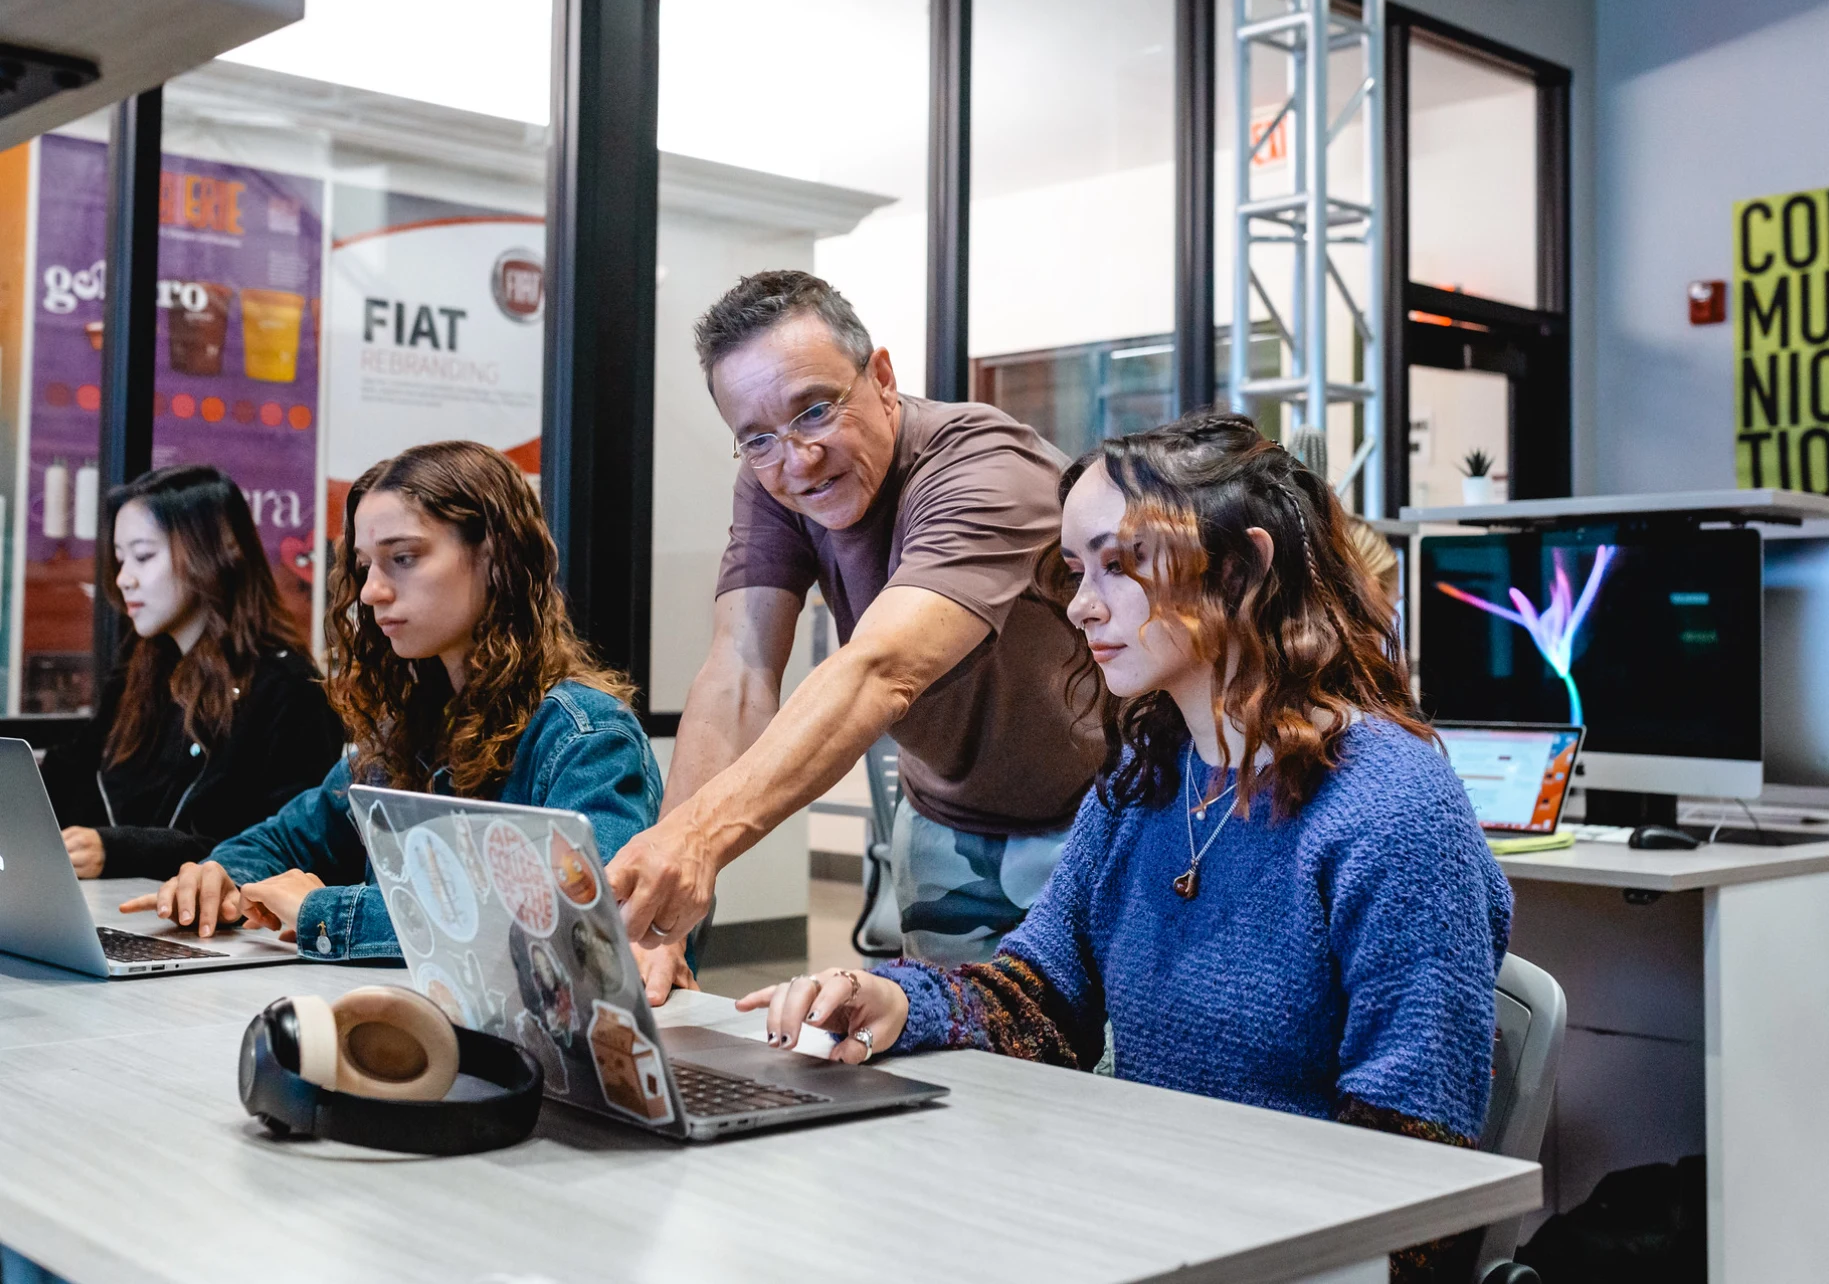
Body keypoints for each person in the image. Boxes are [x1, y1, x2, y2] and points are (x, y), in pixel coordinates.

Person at [739, 413, 1511, 1284]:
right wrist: (892, 1001)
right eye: (1076, 570)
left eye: (1120, 565)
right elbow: (1042, 996)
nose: (1080, 605)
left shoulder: (1393, 808)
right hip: (1144, 1222)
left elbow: (1415, 1159)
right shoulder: (1145, 779)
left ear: (1244, 569)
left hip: (1287, 1255)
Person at [609, 270, 1104, 1000]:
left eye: (815, 411)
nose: (798, 460)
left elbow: (882, 670)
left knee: (1101, 1080)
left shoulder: (986, 469)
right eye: (758, 438)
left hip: (1094, 821)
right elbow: (739, 674)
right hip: (946, 822)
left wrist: (699, 840)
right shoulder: (776, 477)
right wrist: (662, 921)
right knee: (961, 1066)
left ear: (880, 376)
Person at [122, 441, 663, 962]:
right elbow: (282, 838)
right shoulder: (402, 733)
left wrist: (322, 911)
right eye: (364, 566)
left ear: (496, 558)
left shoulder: (586, 737)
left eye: (402, 558)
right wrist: (218, 875)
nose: (369, 592)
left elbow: (576, 925)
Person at [42, 465, 344, 881]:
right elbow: (68, 773)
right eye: (120, 559)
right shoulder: (143, 671)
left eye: (144, 556)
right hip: (131, 911)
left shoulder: (287, 689)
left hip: (221, 932)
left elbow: (284, 851)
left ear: (214, 552)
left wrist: (121, 849)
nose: (124, 578)